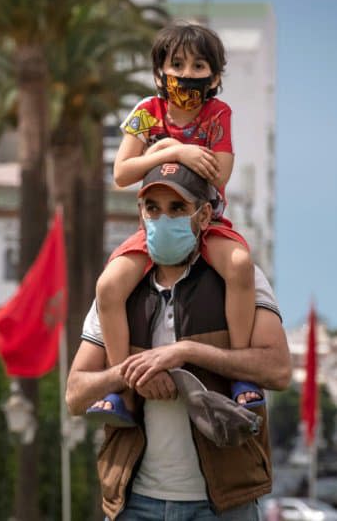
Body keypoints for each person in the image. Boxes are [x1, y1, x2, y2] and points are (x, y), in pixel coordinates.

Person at [67, 163, 291, 520]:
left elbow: (278, 370)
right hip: (134, 503)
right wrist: (131, 373)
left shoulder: (239, 277)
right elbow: (76, 393)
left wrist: (185, 352)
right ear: (140, 215)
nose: (162, 219)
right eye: (152, 208)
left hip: (224, 503)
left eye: (176, 208)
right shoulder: (119, 289)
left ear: (203, 216)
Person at [90, 22, 261, 427]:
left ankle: (240, 374)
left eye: (199, 65)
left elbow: (219, 174)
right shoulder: (146, 113)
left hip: (206, 222)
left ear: (215, 77)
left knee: (238, 266)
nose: (186, 73)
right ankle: (120, 386)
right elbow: (121, 171)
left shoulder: (218, 113)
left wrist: (171, 150)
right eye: (177, 63)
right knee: (109, 286)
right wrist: (172, 149)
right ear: (159, 73)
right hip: (155, 223)